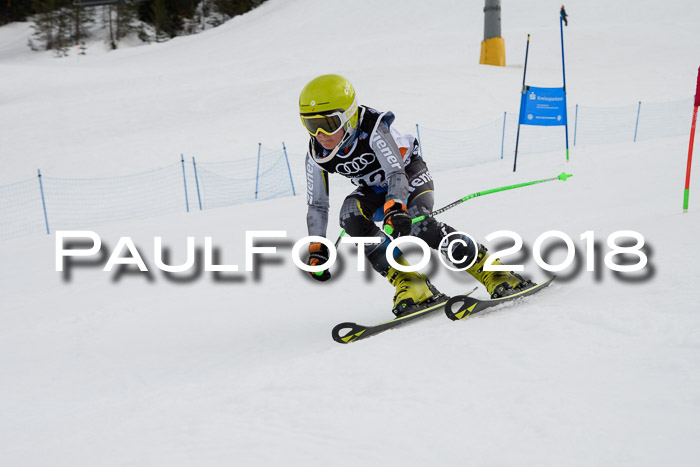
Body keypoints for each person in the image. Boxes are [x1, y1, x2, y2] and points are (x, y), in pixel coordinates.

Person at [299, 74, 533, 317]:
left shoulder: (371, 127)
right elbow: (317, 204)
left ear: (348, 117)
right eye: (310, 125)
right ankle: (412, 283)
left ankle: (494, 271)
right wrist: (317, 246)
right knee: (351, 215)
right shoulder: (316, 153)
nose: (320, 134)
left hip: (407, 175)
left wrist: (396, 205)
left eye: (328, 124)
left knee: (417, 225)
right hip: (374, 189)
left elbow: (395, 172)